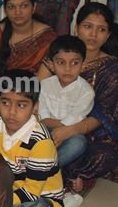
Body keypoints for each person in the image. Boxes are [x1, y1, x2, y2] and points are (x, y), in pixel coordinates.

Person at [40, 3, 118, 193]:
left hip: (90, 133)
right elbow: (37, 93)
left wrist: (69, 130)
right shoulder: (60, 53)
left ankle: (43, 170)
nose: (93, 34)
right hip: (50, 121)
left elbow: (104, 115)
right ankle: (55, 171)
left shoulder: (112, 68)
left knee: (105, 156)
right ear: (76, 27)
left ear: (108, 35)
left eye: (101, 29)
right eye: (88, 26)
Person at [0, 69, 64, 207]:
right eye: (5, 102)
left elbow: (32, 192)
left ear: (35, 107)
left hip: (40, 199)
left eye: (21, 105)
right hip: (5, 193)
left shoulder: (41, 142)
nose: (12, 112)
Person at [0, 0, 56, 123]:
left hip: (32, 92)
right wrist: (6, 90)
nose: (18, 12)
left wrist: (19, 95)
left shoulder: (47, 37)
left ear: (34, 7)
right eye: (11, 7)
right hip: (0, 88)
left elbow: (42, 79)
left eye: (24, 6)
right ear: (5, 10)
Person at [38, 36, 94, 167]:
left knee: (78, 143)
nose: (67, 69)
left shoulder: (86, 92)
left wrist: (63, 133)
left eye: (74, 63)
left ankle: (48, 168)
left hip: (71, 133)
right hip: (45, 128)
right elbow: (42, 116)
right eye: (61, 62)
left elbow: (74, 119)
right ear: (51, 65)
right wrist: (53, 133)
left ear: (83, 65)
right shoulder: (44, 85)